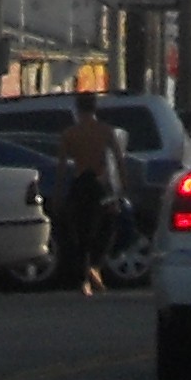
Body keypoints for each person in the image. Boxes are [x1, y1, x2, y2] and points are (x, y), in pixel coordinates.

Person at [49, 90, 128, 294]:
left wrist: (58, 194)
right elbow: (119, 161)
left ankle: (84, 278)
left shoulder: (70, 133)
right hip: (100, 185)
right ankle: (95, 265)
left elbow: (61, 167)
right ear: (95, 107)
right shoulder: (106, 131)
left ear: (77, 108)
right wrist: (122, 187)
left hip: (79, 185)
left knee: (81, 231)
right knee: (108, 224)